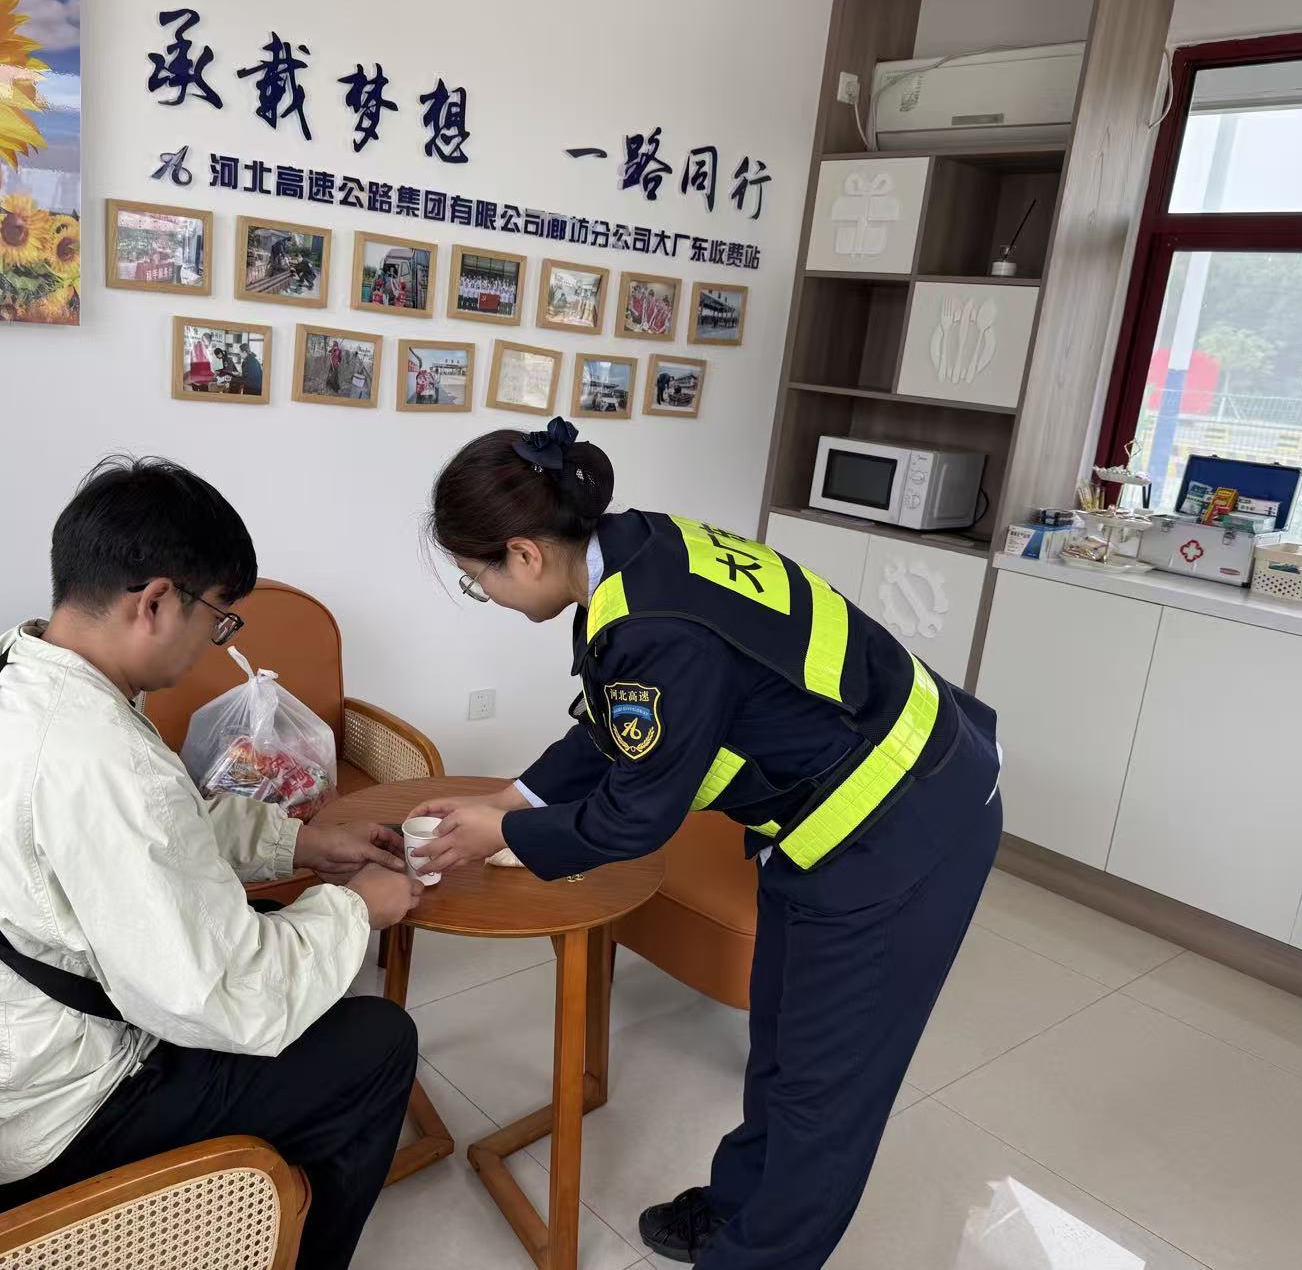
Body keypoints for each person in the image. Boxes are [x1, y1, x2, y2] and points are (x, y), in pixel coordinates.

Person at [410, 420, 1003, 1270]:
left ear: (525, 554)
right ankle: (736, 1205)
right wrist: (512, 797)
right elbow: (624, 723)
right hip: (826, 818)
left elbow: (635, 816)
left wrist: (502, 834)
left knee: (825, 1096)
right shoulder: (633, 551)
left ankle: (758, 1252)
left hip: (905, 826)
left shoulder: (655, 628)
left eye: (478, 583)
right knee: (783, 1049)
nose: (487, 597)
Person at [0, 457, 422, 1270]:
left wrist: (303, 844)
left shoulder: (10, 665)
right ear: (158, 601)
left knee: (276, 931)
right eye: (220, 619)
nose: (215, 643)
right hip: (37, 1134)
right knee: (379, 1042)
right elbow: (223, 994)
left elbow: (163, 830)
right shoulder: (98, 754)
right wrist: (361, 908)